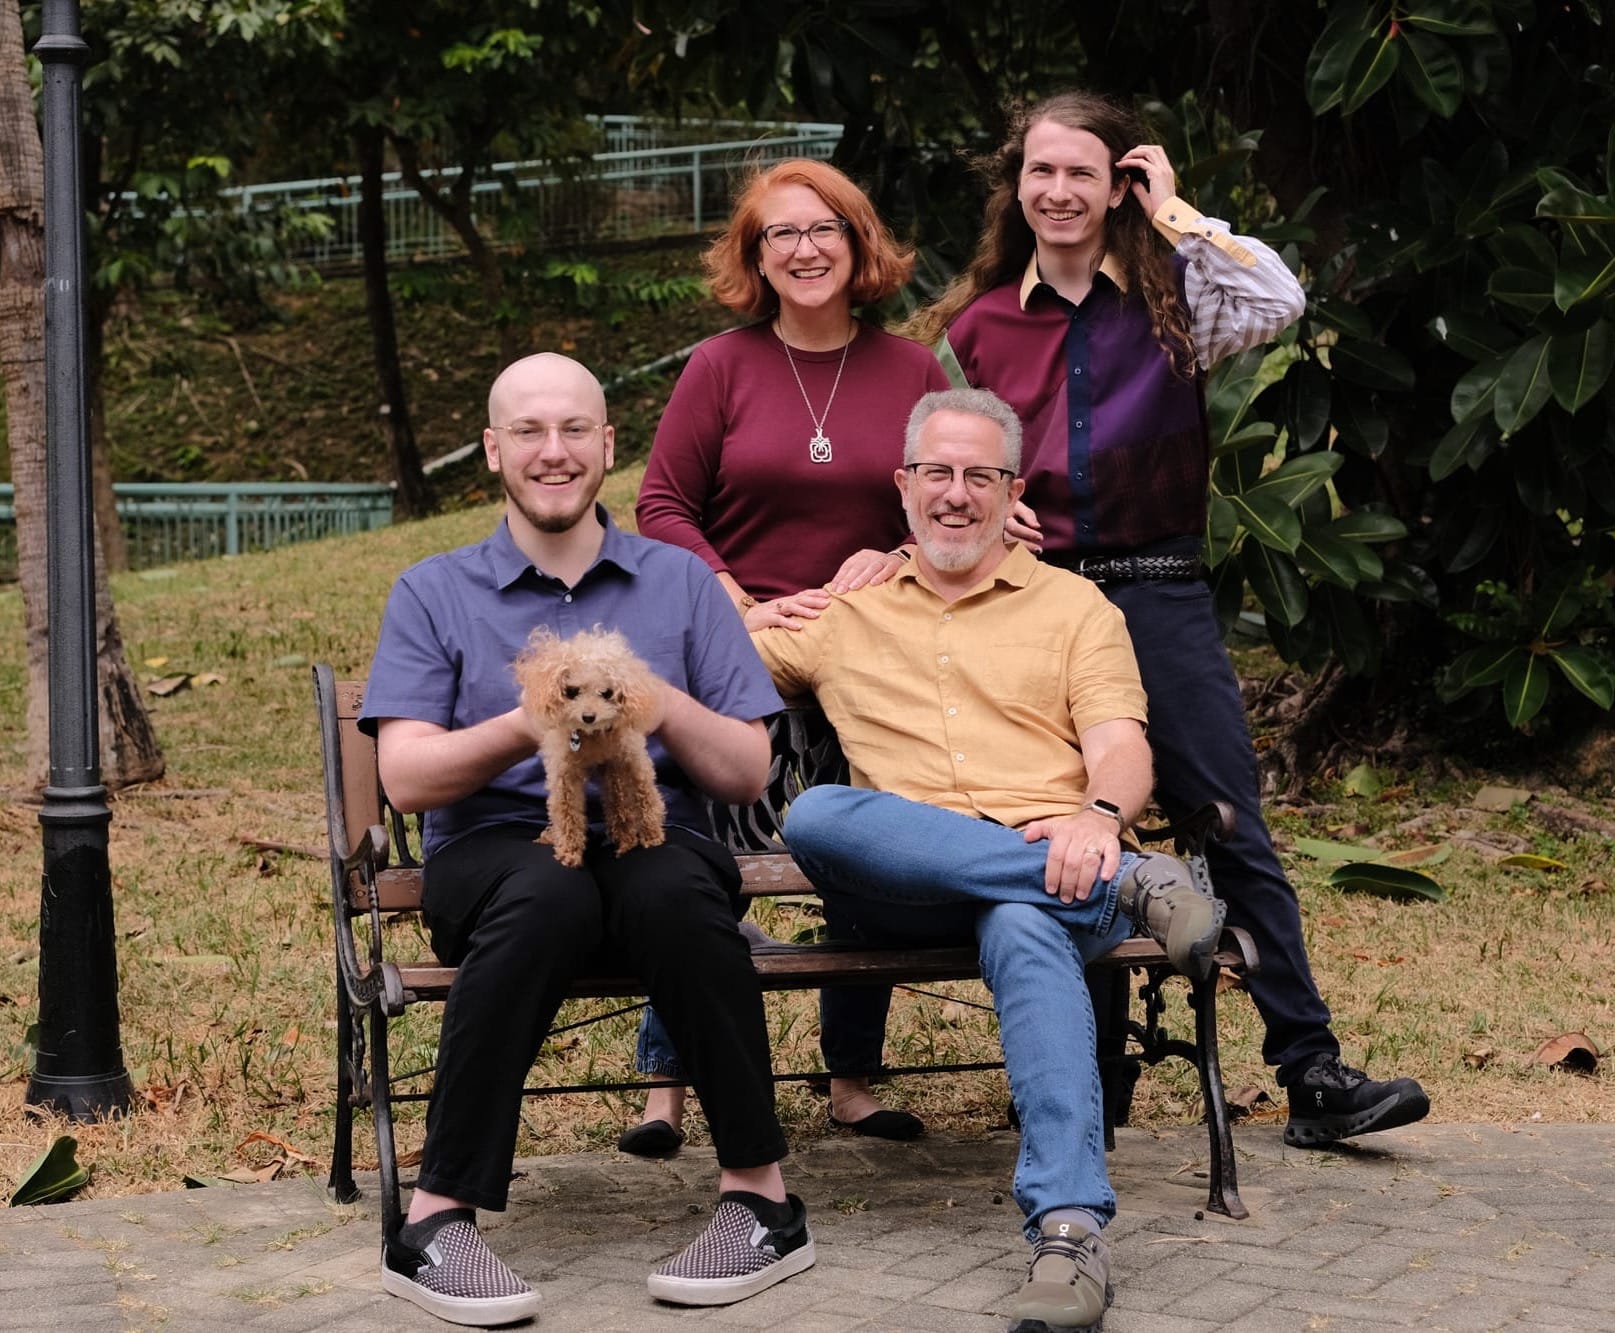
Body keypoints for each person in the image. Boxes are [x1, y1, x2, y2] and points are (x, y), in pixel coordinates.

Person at [907, 90, 1430, 1149]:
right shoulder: (977, 324)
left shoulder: (1177, 289)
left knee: (1224, 815)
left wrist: (1177, 212)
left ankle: (1310, 1071)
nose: (1058, 192)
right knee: (1062, 819)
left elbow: (1278, 294)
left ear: (1116, 187)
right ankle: (1088, 1073)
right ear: (1018, 185)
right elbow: (956, 454)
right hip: (1039, 597)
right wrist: (996, 507)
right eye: (1040, 172)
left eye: (1083, 174)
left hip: (1160, 588)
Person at [752, 387, 1226, 1333]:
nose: (955, 494)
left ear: (1012, 491)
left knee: (1021, 919)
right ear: (903, 486)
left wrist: (1098, 816)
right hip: (914, 884)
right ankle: (1139, 883)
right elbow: (687, 648)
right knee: (820, 814)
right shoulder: (843, 614)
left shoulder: (1074, 606)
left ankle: (1066, 1229)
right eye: (936, 472)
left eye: (980, 475)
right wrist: (755, 604)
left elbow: (1121, 746)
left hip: (1064, 868)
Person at [359, 353, 814, 1327]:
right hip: (493, 844)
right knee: (544, 892)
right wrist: (532, 720)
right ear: (493, 450)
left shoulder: (682, 583)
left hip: (657, 830)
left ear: (608, 446)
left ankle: (762, 1200)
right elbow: (404, 778)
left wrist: (648, 702)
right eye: (528, 430)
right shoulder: (433, 589)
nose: (552, 450)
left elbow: (746, 771)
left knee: (673, 895)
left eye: (574, 429)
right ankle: (437, 1221)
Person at [630, 157, 951, 1151]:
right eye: (782, 235)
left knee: (861, 851)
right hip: (733, 651)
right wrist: (739, 603)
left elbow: (951, 497)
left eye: (824, 230)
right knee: (693, 854)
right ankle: (666, 1080)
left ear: (858, 244)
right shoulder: (719, 366)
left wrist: (894, 551)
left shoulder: (912, 371)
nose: (805, 249)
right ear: (755, 257)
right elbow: (660, 506)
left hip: (871, 657)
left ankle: (851, 1074)